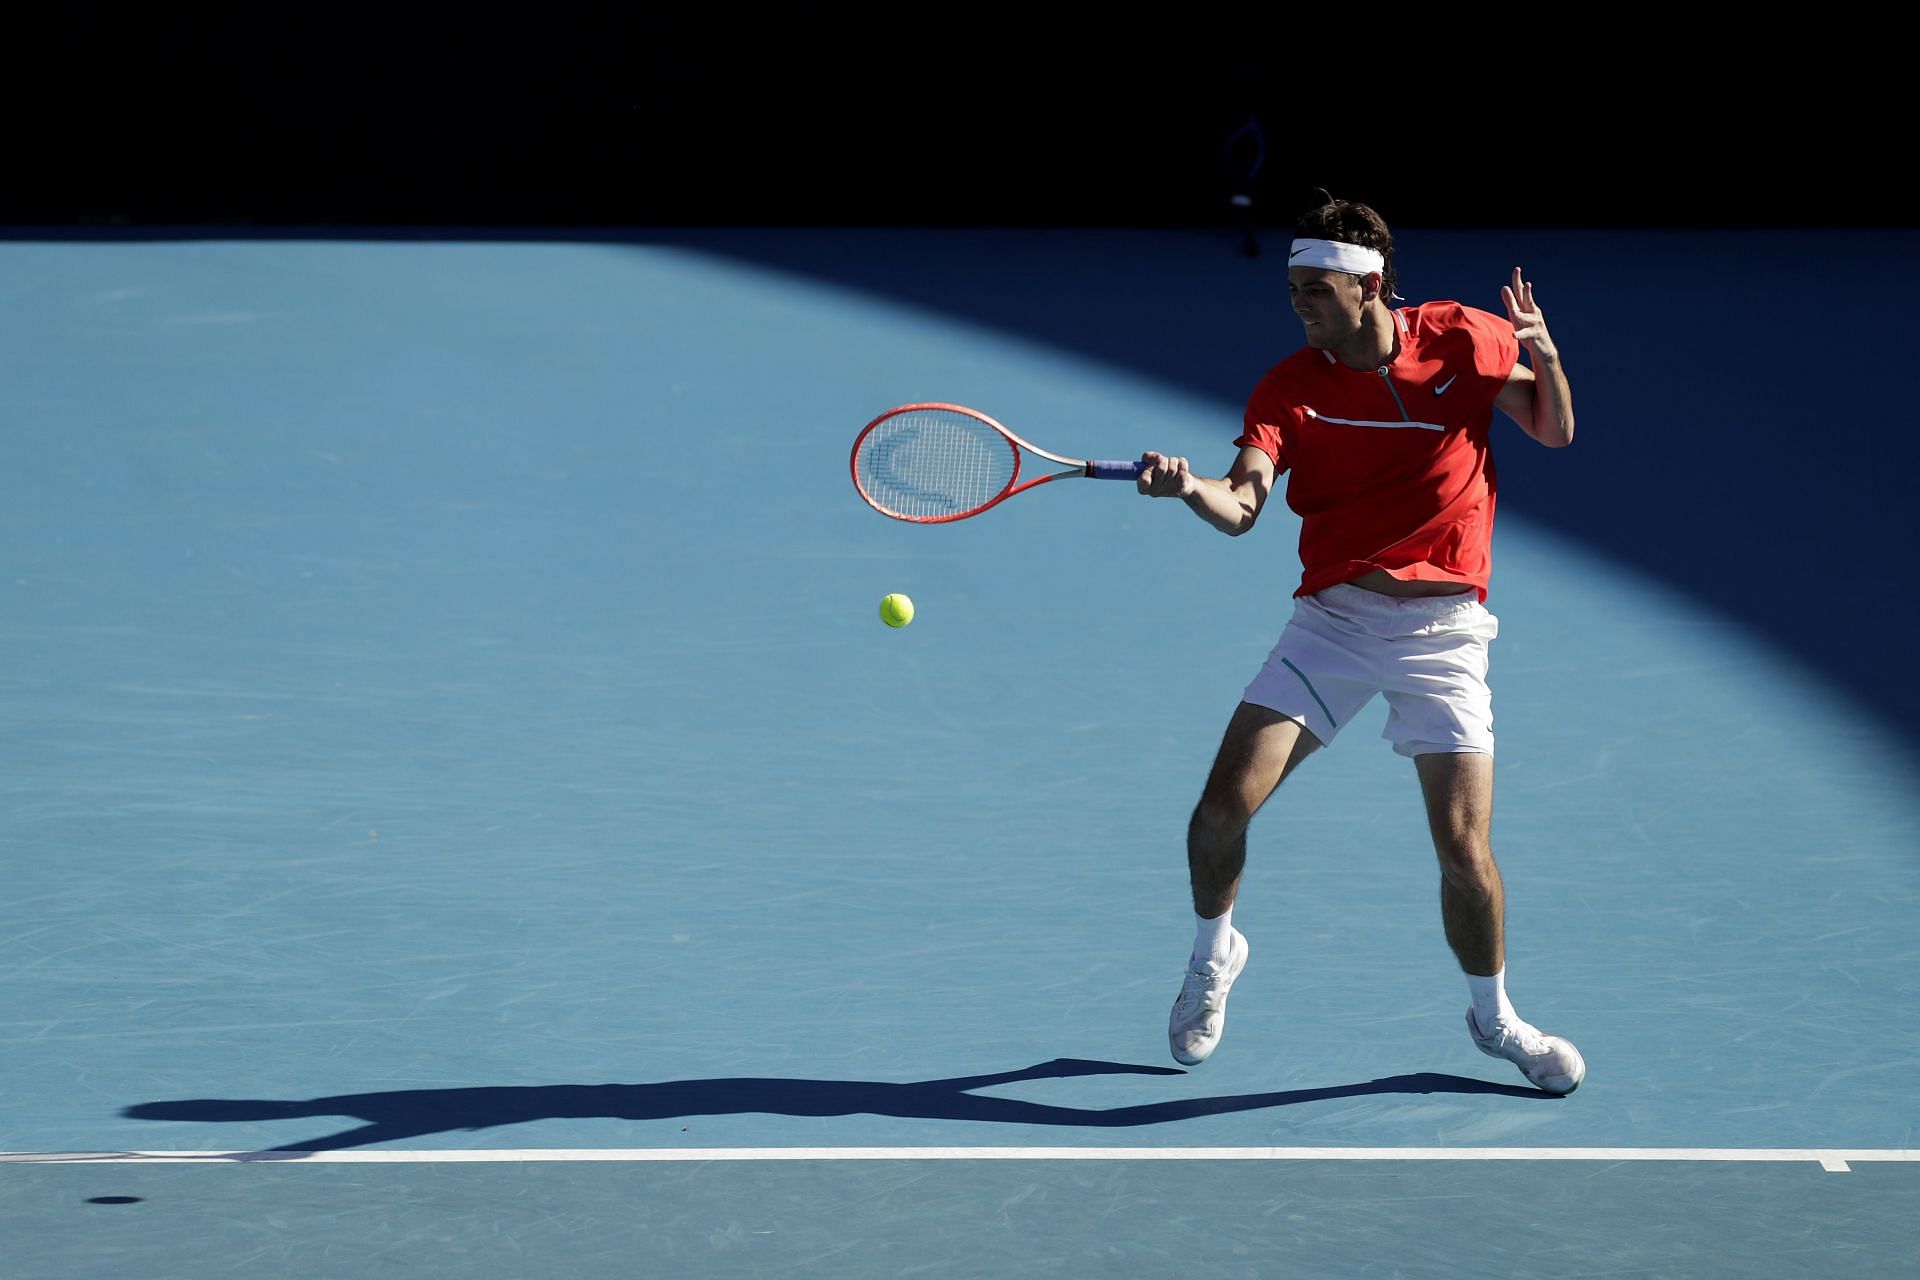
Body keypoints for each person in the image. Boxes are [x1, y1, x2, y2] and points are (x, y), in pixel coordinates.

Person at [1137, 195, 1584, 1094]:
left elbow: (1553, 428)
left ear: (1370, 286)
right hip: (1334, 620)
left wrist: (1543, 351)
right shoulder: (1287, 389)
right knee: (1221, 807)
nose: (1298, 302)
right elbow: (1242, 508)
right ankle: (1213, 955)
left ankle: (1495, 1020)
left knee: (1465, 852)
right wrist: (1192, 491)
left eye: (1316, 288)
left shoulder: (1464, 339)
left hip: (1446, 631)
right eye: (1293, 287)